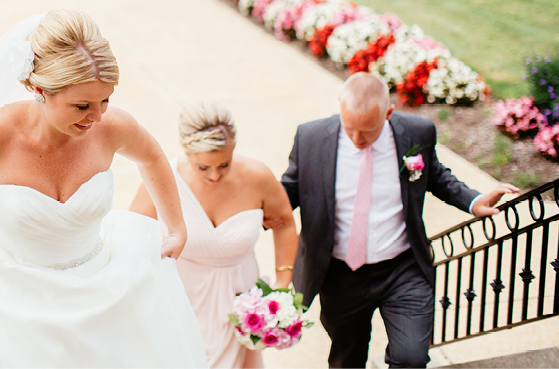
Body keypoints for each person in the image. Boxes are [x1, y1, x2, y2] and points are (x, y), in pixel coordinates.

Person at [0, 10, 207, 367]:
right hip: (14, 302)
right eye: (82, 106)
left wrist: (176, 226)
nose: (96, 117)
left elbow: (153, 157)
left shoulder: (110, 127)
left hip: (103, 292)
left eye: (105, 101)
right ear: (39, 90)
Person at [281, 72, 518, 368]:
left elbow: (436, 175)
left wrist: (472, 200)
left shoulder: (416, 133)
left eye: (368, 132)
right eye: (349, 128)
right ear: (339, 105)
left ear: (389, 114)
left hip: (402, 269)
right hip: (340, 275)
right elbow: (287, 191)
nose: (356, 140)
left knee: (411, 358)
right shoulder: (311, 137)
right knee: (346, 359)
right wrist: (253, 213)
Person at [130, 100, 298, 368]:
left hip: (240, 300)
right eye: (203, 167)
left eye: (224, 164)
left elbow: (285, 223)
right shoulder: (162, 178)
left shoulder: (258, 177)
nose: (215, 175)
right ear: (186, 152)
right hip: (183, 298)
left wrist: (282, 281)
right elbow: (133, 233)